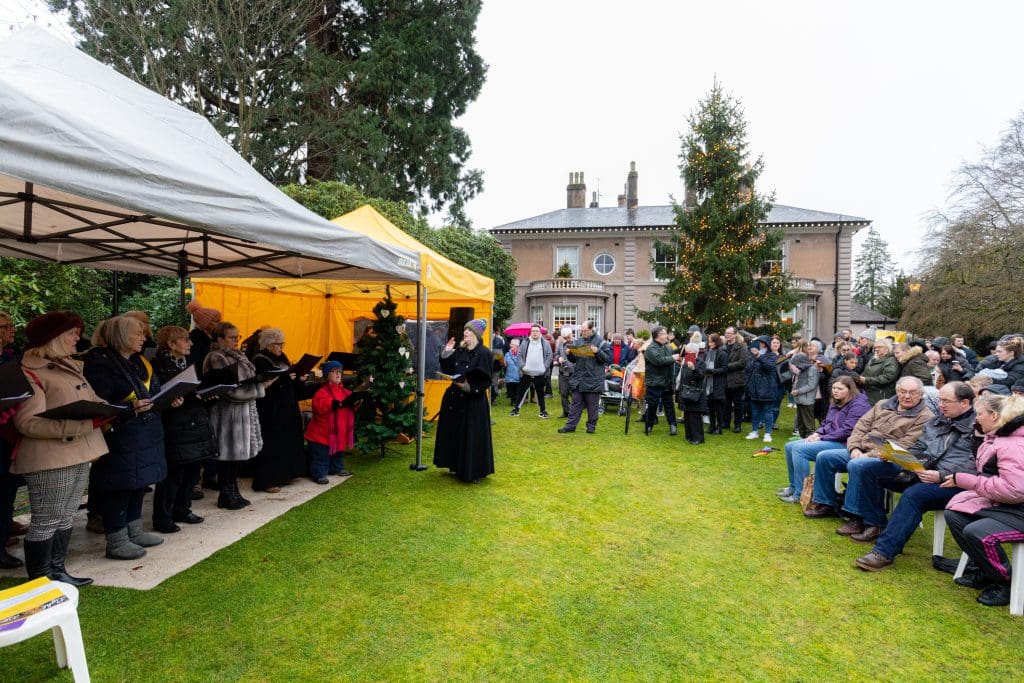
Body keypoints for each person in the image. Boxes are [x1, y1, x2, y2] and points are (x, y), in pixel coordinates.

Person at [11, 312, 107, 585]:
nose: (78, 337)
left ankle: (58, 571)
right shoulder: (30, 372)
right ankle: (41, 581)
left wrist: (109, 408)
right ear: (52, 338)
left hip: (78, 452)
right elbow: (27, 423)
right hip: (50, 457)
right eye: (72, 333)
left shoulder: (70, 366)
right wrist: (79, 426)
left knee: (66, 516)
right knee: (47, 519)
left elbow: (90, 398)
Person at [852, 381, 977, 570]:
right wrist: (898, 455)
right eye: (940, 400)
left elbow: (975, 464)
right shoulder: (937, 421)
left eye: (946, 401)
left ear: (965, 403)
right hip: (923, 472)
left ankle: (883, 552)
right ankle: (874, 523)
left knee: (915, 495)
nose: (940, 404)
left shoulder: (978, 428)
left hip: (954, 482)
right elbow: (919, 447)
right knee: (868, 469)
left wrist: (941, 475)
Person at [85, 315, 177, 560]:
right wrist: (131, 406)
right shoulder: (100, 364)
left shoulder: (136, 361)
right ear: (122, 336)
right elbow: (101, 403)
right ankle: (116, 540)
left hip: (144, 431)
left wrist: (167, 399)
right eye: (138, 333)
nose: (144, 337)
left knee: (139, 483)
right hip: (122, 435)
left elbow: (153, 391)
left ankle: (134, 531)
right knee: (121, 486)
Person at [805, 376, 933, 518]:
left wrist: (868, 455)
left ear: (921, 394)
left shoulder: (925, 416)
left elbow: (904, 444)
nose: (907, 396)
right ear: (897, 391)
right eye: (903, 391)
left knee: (857, 464)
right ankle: (826, 503)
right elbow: (860, 426)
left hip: (891, 459)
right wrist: (854, 448)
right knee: (825, 457)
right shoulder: (883, 404)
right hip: (860, 450)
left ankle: (854, 514)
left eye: (913, 392)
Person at [942, 393, 1024, 607]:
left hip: (1018, 509)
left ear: (995, 416)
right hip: (1006, 506)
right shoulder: (999, 438)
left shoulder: (1012, 444)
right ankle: (985, 570)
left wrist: (967, 481)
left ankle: (1005, 582)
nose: (976, 419)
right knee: (955, 514)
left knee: (978, 532)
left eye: (979, 414)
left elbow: (1014, 490)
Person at [151, 326, 215, 533]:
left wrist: (205, 395)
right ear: (171, 343)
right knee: (173, 473)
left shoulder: (186, 363)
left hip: (195, 421)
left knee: (193, 469)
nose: (191, 343)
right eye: (185, 340)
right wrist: (171, 402)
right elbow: (156, 396)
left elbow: (194, 388)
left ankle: (183, 508)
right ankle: (163, 516)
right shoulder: (157, 365)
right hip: (175, 424)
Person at [204, 322, 268, 509]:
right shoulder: (216, 357)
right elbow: (230, 391)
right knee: (227, 457)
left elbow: (244, 381)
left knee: (236, 458)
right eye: (232, 337)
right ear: (220, 339)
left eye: (237, 337)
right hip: (226, 416)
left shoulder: (239, 355)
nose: (236, 341)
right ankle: (226, 493)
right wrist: (259, 389)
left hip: (241, 414)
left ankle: (233, 490)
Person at [780, 376, 871, 504]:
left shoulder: (860, 405)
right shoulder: (836, 401)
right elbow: (827, 422)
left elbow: (847, 430)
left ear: (850, 390)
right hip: (831, 439)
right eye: (834, 388)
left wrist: (822, 437)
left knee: (799, 449)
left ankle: (800, 493)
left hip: (847, 444)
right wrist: (817, 433)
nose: (835, 391)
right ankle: (793, 486)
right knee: (789, 446)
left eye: (840, 388)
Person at [433, 318, 495, 483]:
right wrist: (446, 353)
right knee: (455, 433)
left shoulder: (484, 353)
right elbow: (448, 369)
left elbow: (486, 380)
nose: (465, 335)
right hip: (455, 399)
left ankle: (474, 471)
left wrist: (469, 387)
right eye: (464, 333)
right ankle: (454, 465)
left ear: (475, 334)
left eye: (467, 333)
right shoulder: (460, 351)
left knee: (472, 436)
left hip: (473, 401)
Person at [251, 328, 310, 492]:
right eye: (278, 344)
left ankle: (287, 474)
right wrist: (285, 378)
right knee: (273, 443)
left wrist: (298, 377)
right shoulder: (260, 360)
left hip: (287, 405)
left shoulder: (281, 357)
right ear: (269, 344)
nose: (282, 347)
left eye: (283, 343)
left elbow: (287, 378)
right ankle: (268, 480)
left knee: (288, 440)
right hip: (271, 407)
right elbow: (264, 385)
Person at [186, 298, 222, 492]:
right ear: (208, 323)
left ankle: (210, 473)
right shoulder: (197, 340)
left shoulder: (210, 339)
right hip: (202, 391)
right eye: (216, 320)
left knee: (211, 434)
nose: (219, 324)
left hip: (210, 390)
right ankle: (200, 478)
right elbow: (197, 368)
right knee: (203, 434)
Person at [0, 310, 25, 569]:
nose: (10, 331)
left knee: (6, 487)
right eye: (4, 327)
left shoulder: (9, 357)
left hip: (8, 432)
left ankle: (4, 529)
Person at [305, 360, 355, 484]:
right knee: (321, 456)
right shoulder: (321, 392)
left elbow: (351, 402)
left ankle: (336, 468)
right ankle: (319, 474)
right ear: (327, 375)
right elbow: (319, 406)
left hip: (337, 433)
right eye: (334, 371)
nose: (338, 374)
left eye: (339, 371)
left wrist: (356, 402)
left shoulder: (345, 391)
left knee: (338, 453)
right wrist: (332, 404)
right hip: (320, 434)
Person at [558, 320, 611, 434]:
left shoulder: (601, 342)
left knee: (592, 406)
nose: (583, 333)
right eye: (581, 331)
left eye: (585, 331)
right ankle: (570, 426)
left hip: (593, 379)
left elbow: (607, 359)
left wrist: (597, 351)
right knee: (575, 404)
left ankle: (591, 427)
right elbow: (574, 360)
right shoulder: (579, 341)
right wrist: (570, 353)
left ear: (591, 329)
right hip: (579, 379)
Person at [643, 326, 680, 436]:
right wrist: (673, 358)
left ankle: (673, 426)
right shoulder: (651, 348)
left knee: (669, 405)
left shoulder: (668, 348)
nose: (667, 335)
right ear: (659, 336)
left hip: (667, 381)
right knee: (653, 405)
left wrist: (677, 360)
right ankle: (649, 425)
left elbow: (669, 361)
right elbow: (658, 361)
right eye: (664, 333)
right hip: (654, 382)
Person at [510, 324, 551, 418]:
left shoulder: (545, 343)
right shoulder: (525, 342)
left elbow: (549, 355)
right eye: (533, 331)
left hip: (540, 373)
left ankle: (543, 411)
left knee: (540, 393)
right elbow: (519, 354)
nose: (535, 333)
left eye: (537, 331)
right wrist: (522, 366)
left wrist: (545, 367)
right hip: (526, 373)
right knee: (521, 392)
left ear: (540, 332)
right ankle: (515, 410)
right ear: (530, 332)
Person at [745, 335, 779, 443]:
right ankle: (755, 431)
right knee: (755, 411)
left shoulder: (772, 355)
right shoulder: (754, 355)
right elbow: (748, 368)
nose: (760, 344)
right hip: (754, 387)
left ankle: (768, 433)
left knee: (767, 411)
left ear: (767, 344)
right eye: (760, 343)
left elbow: (769, 367)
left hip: (767, 388)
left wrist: (759, 356)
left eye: (762, 343)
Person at [676, 343, 706, 444]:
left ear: (696, 352)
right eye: (687, 352)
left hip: (695, 393)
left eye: (690, 352)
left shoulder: (700, 362)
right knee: (688, 415)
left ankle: (698, 438)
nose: (687, 354)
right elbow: (683, 378)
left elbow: (700, 376)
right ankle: (689, 436)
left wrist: (693, 369)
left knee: (695, 417)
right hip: (686, 392)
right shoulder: (685, 362)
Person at [722, 326, 750, 433]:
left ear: (734, 334)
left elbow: (743, 362)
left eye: (729, 333)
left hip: (737, 379)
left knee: (738, 403)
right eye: (726, 332)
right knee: (726, 403)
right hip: (725, 379)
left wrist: (726, 366)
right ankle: (726, 423)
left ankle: (738, 425)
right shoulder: (723, 346)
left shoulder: (741, 346)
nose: (727, 334)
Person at [859, 338, 900, 404]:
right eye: (875, 347)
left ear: (888, 348)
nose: (876, 349)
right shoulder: (875, 358)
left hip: (880, 396)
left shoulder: (891, 360)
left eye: (880, 347)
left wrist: (866, 380)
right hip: (869, 394)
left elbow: (887, 378)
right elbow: (866, 371)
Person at [703, 333, 729, 435]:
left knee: (718, 407)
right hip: (708, 383)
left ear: (716, 342)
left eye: (711, 341)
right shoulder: (707, 353)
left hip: (718, 383)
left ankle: (719, 427)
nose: (710, 344)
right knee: (710, 406)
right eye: (709, 342)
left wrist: (711, 371)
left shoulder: (722, 354)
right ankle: (712, 425)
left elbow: (724, 368)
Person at [789, 352, 819, 438]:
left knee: (808, 425)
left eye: (797, 364)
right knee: (801, 423)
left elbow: (811, 385)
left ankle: (809, 441)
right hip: (800, 400)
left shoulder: (812, 369)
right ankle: (802, 439)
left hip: (807, 401)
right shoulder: (803, 370)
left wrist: (798, 391)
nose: (797, 366)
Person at [554, 327, 575, 418]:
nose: (566, 339)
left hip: (573, 372)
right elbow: (556, 354)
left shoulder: (574, 343)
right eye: (565, 337)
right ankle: (566, 412)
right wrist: (558, 358)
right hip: (563, 371)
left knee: (574, 393)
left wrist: (565, 342)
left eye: (567, 337)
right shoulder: (560, 344)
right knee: (563, 393)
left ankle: (574, 412)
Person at [504, 338, 521, 407]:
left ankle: (515, 402)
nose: (511, 346)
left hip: (517, 375)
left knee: (517, 390)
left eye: (513, 345)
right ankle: (513, 401)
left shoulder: (520, 354)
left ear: (517, 346)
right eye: (511, 345)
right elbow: (505, 364)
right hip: (510, 375)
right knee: (511, 390)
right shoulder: (507, 354)